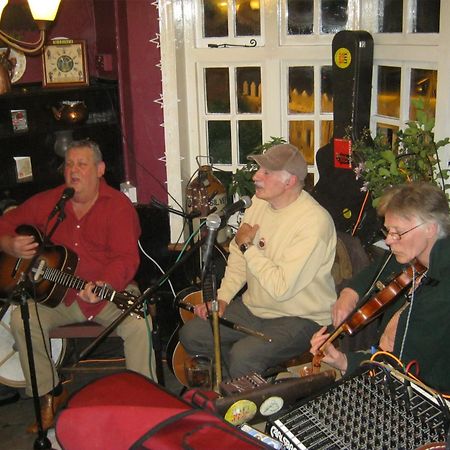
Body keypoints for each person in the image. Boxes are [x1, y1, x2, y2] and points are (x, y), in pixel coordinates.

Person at [0, 139, 155, 433]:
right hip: (61, 296)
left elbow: (126, 259)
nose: (73, 171)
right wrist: (10, 243)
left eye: (82, 164)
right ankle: (50, 395)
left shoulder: (118, 207)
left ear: (99, 170)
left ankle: (143, 401)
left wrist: (103, 284)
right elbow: (7, 223)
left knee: (138, 324)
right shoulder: (51, 202)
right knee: (22, 318)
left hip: (109, 292)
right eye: (69, 164)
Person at [180, 143, 337, 379]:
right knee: (193, 334)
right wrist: (223, 298)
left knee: (244, 356)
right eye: (258, 170)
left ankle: (251, 408)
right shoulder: (259, 204)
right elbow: (238, 258)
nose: (256, 176)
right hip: (255, 308)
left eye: (266, 172)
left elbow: (280, 288)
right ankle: (235, 390)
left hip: (301, 317)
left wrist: (247, 246)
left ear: (290, 181)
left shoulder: (313, 222)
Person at [310, 182, 450, 393]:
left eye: (397, 233)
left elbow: (404, 372)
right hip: (387, 376)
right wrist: (343, 360)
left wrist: (349, 363)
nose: (388, 240)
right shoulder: (417, 260)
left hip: (419, 398)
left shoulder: (439, 295)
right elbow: (380, 267)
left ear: (430, 228)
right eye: (388, 231)